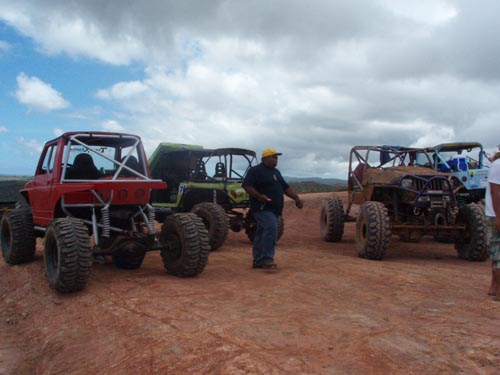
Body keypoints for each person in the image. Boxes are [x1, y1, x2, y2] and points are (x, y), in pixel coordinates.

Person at [243, 148, 303, 269]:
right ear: (265, 158)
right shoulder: (255, 171)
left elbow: (285, 188)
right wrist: (259, 196)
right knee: (271, 228)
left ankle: (258, 260)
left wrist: (296, 198)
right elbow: (247, 186)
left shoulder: (276, 172)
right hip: (261, 207)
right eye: (273, 157)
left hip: (274, 209)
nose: (276, 159)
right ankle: (267, 259)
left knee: (261, 233)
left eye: (277, 157)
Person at [486, 151, 500, 300]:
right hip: (495, 214)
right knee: (498, 254)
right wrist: (498, 217)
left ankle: (495, 286)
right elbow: (495, 192)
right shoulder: (498, 166)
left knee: (497, 254)